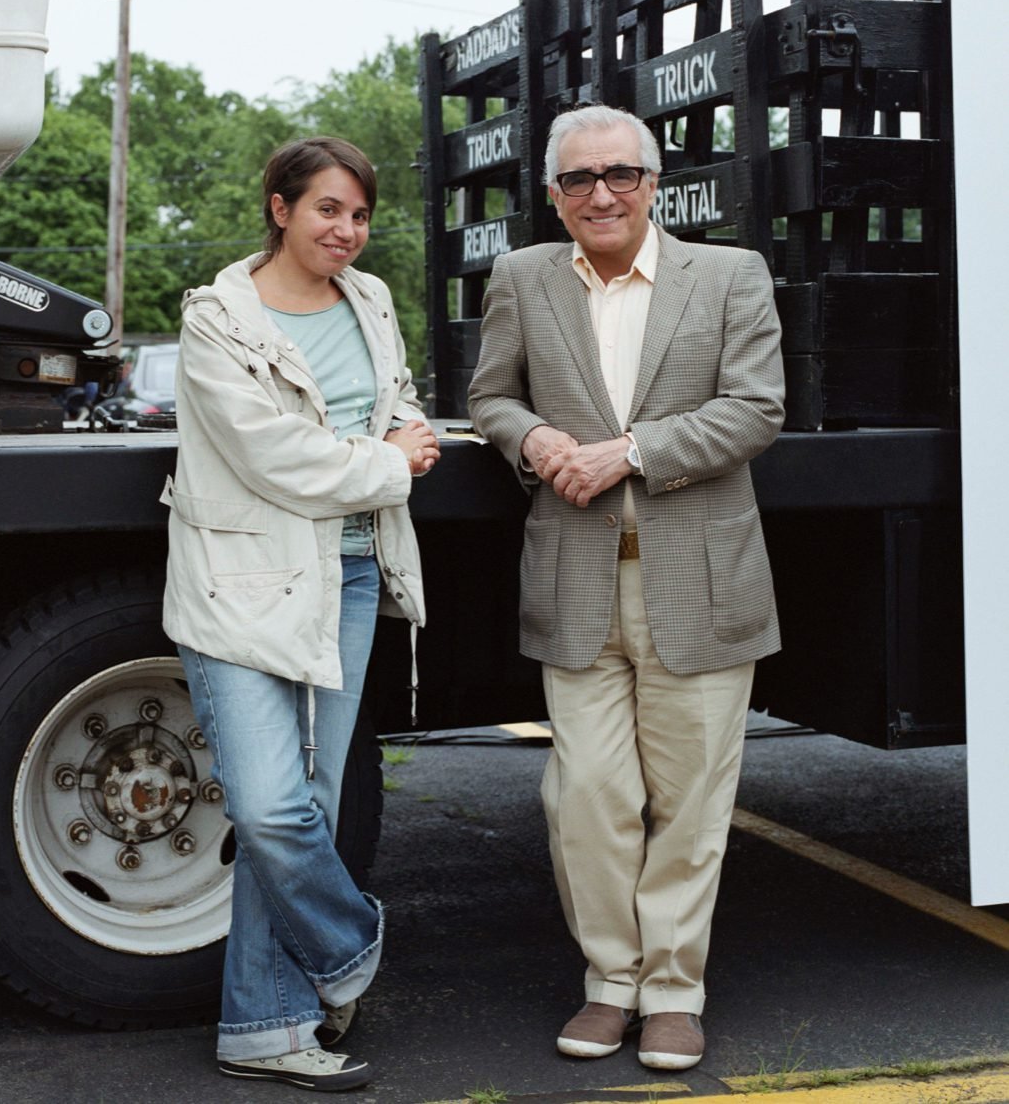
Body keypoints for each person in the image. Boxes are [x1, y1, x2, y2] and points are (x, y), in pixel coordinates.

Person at [467, 104, 784, 1072]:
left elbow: (756, 408)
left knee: (690, 803)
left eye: (620, 175)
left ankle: (675, 991)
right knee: (589, 796)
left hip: (702, 578)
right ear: (555, 196)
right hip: (575, 582)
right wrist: (535, 438)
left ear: (655, 181)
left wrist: (632, 453)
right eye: (578, 181)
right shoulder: (522, 277)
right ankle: (612, 983)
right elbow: (490, 395)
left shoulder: (729, 275)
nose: (600, 194)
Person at [161, 136, 439, 1093]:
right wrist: (392, 465)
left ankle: (264, 1027)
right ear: (279, 209)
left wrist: (411, 427)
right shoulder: (218, 322)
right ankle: (348, 947)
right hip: (241, 584)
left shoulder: (370, 299)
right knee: (271, 808)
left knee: (312, 805)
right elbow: (269, 455)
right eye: (328, 210)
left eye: (359, 215)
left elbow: (389, 396)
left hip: (349, 577)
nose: (347, 231)